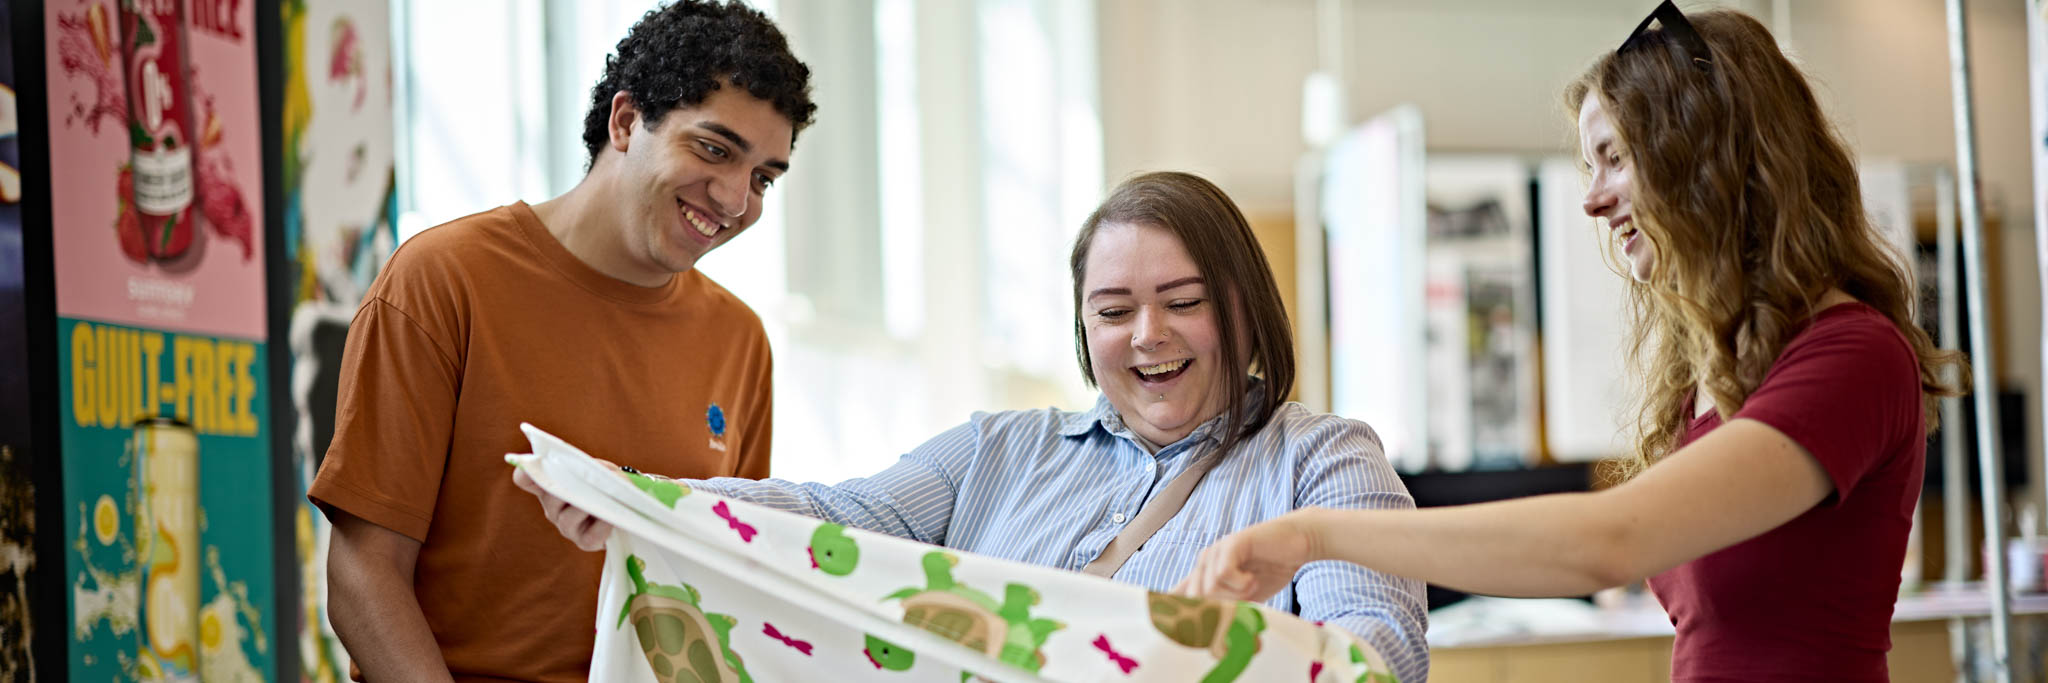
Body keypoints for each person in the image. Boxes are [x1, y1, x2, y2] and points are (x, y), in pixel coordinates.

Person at [1175, 4, 1968, 681]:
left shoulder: (1853, 356)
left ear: (1707, 156)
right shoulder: (1728, 378)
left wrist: (1315, 532)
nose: (1591, 200)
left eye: (1614, 158)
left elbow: (1604, 544)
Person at [518, 171, 1432, 682]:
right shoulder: (998, 450)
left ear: (1241, 304)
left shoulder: (1322, 460)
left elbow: (1379, 654)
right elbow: (834, 519)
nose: (1146, 336)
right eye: (1112, 311)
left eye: (1181, 302)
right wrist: (646, 503)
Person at [306, 3, 815, 681]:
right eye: (714, 148)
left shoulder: (740, 341)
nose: (734, 199)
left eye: (762, 178)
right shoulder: (442, 280)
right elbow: (363, 574)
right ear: (627, 121)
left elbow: (725, 588)